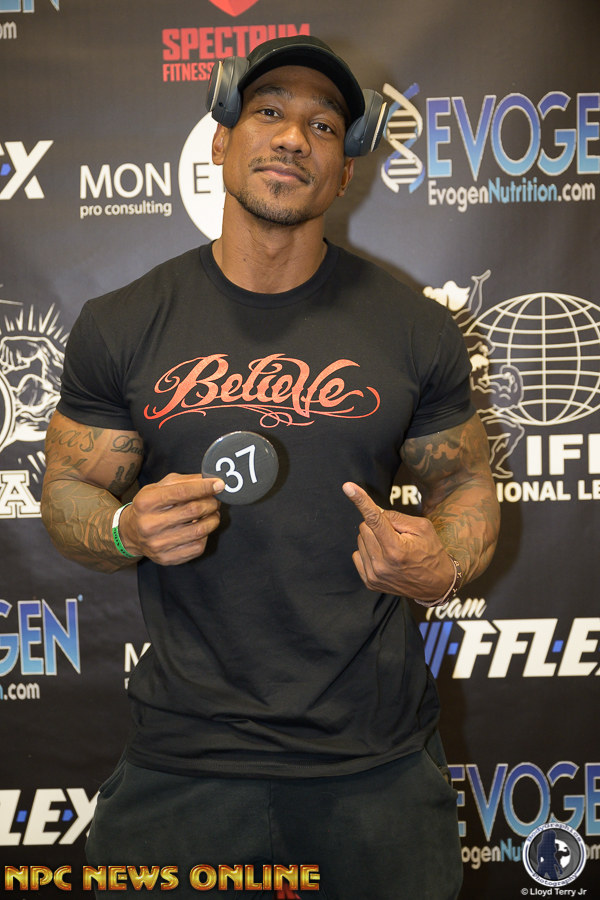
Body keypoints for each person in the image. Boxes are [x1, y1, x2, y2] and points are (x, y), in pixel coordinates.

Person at [41, 35, 500, 900]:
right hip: (183, 756)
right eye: (269, 112)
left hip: (375, 760)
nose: (293, 137)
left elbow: (464, 481)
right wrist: (124, 528)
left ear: (345, 171)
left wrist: (439, 563)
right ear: (221, 142)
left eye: (323, 125)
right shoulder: (123, 322)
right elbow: (67, 488)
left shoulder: (414, 329)